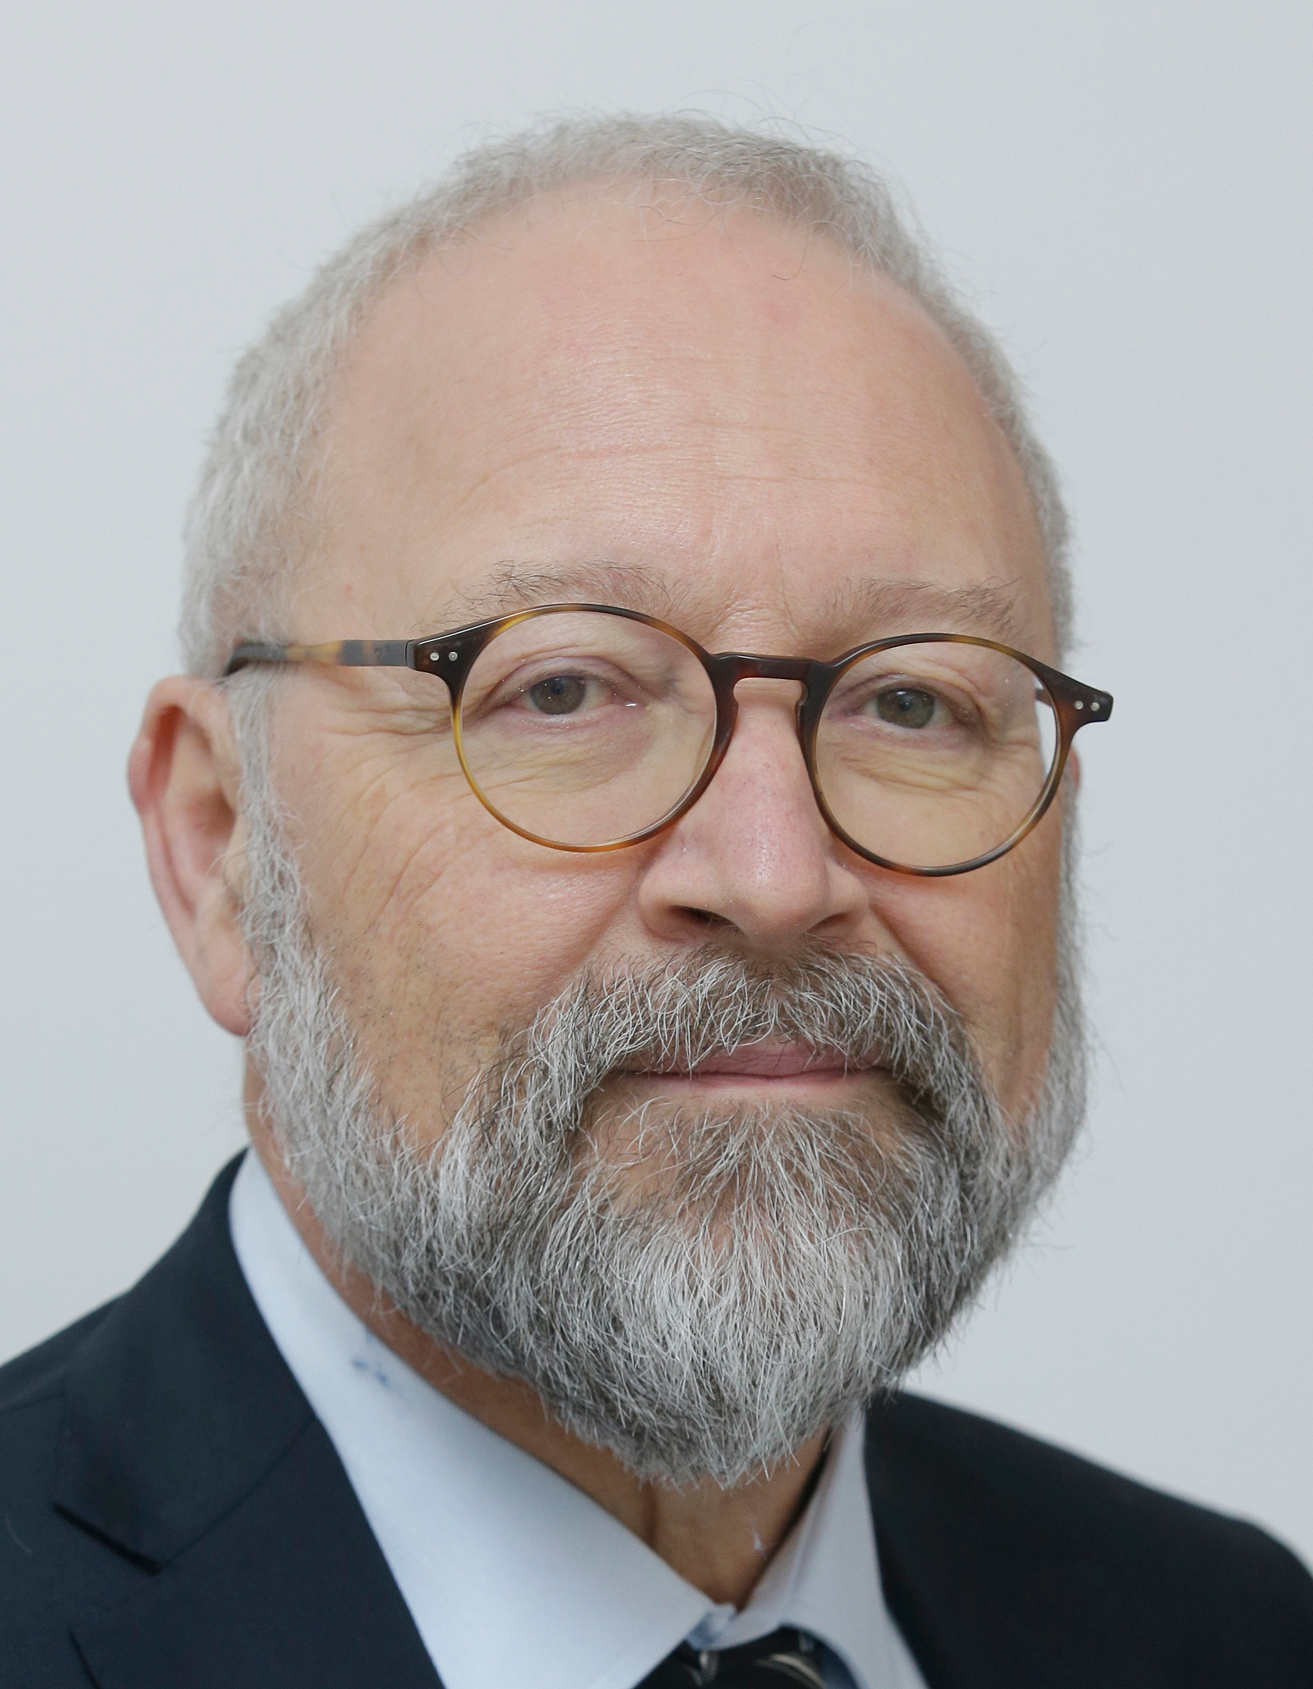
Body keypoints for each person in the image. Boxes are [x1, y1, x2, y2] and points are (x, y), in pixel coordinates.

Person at [2, 115, 1309, 1689]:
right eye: (561, 687)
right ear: (220, 846)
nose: (772, 876)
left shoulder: (1225, 1632)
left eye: (909, 703)